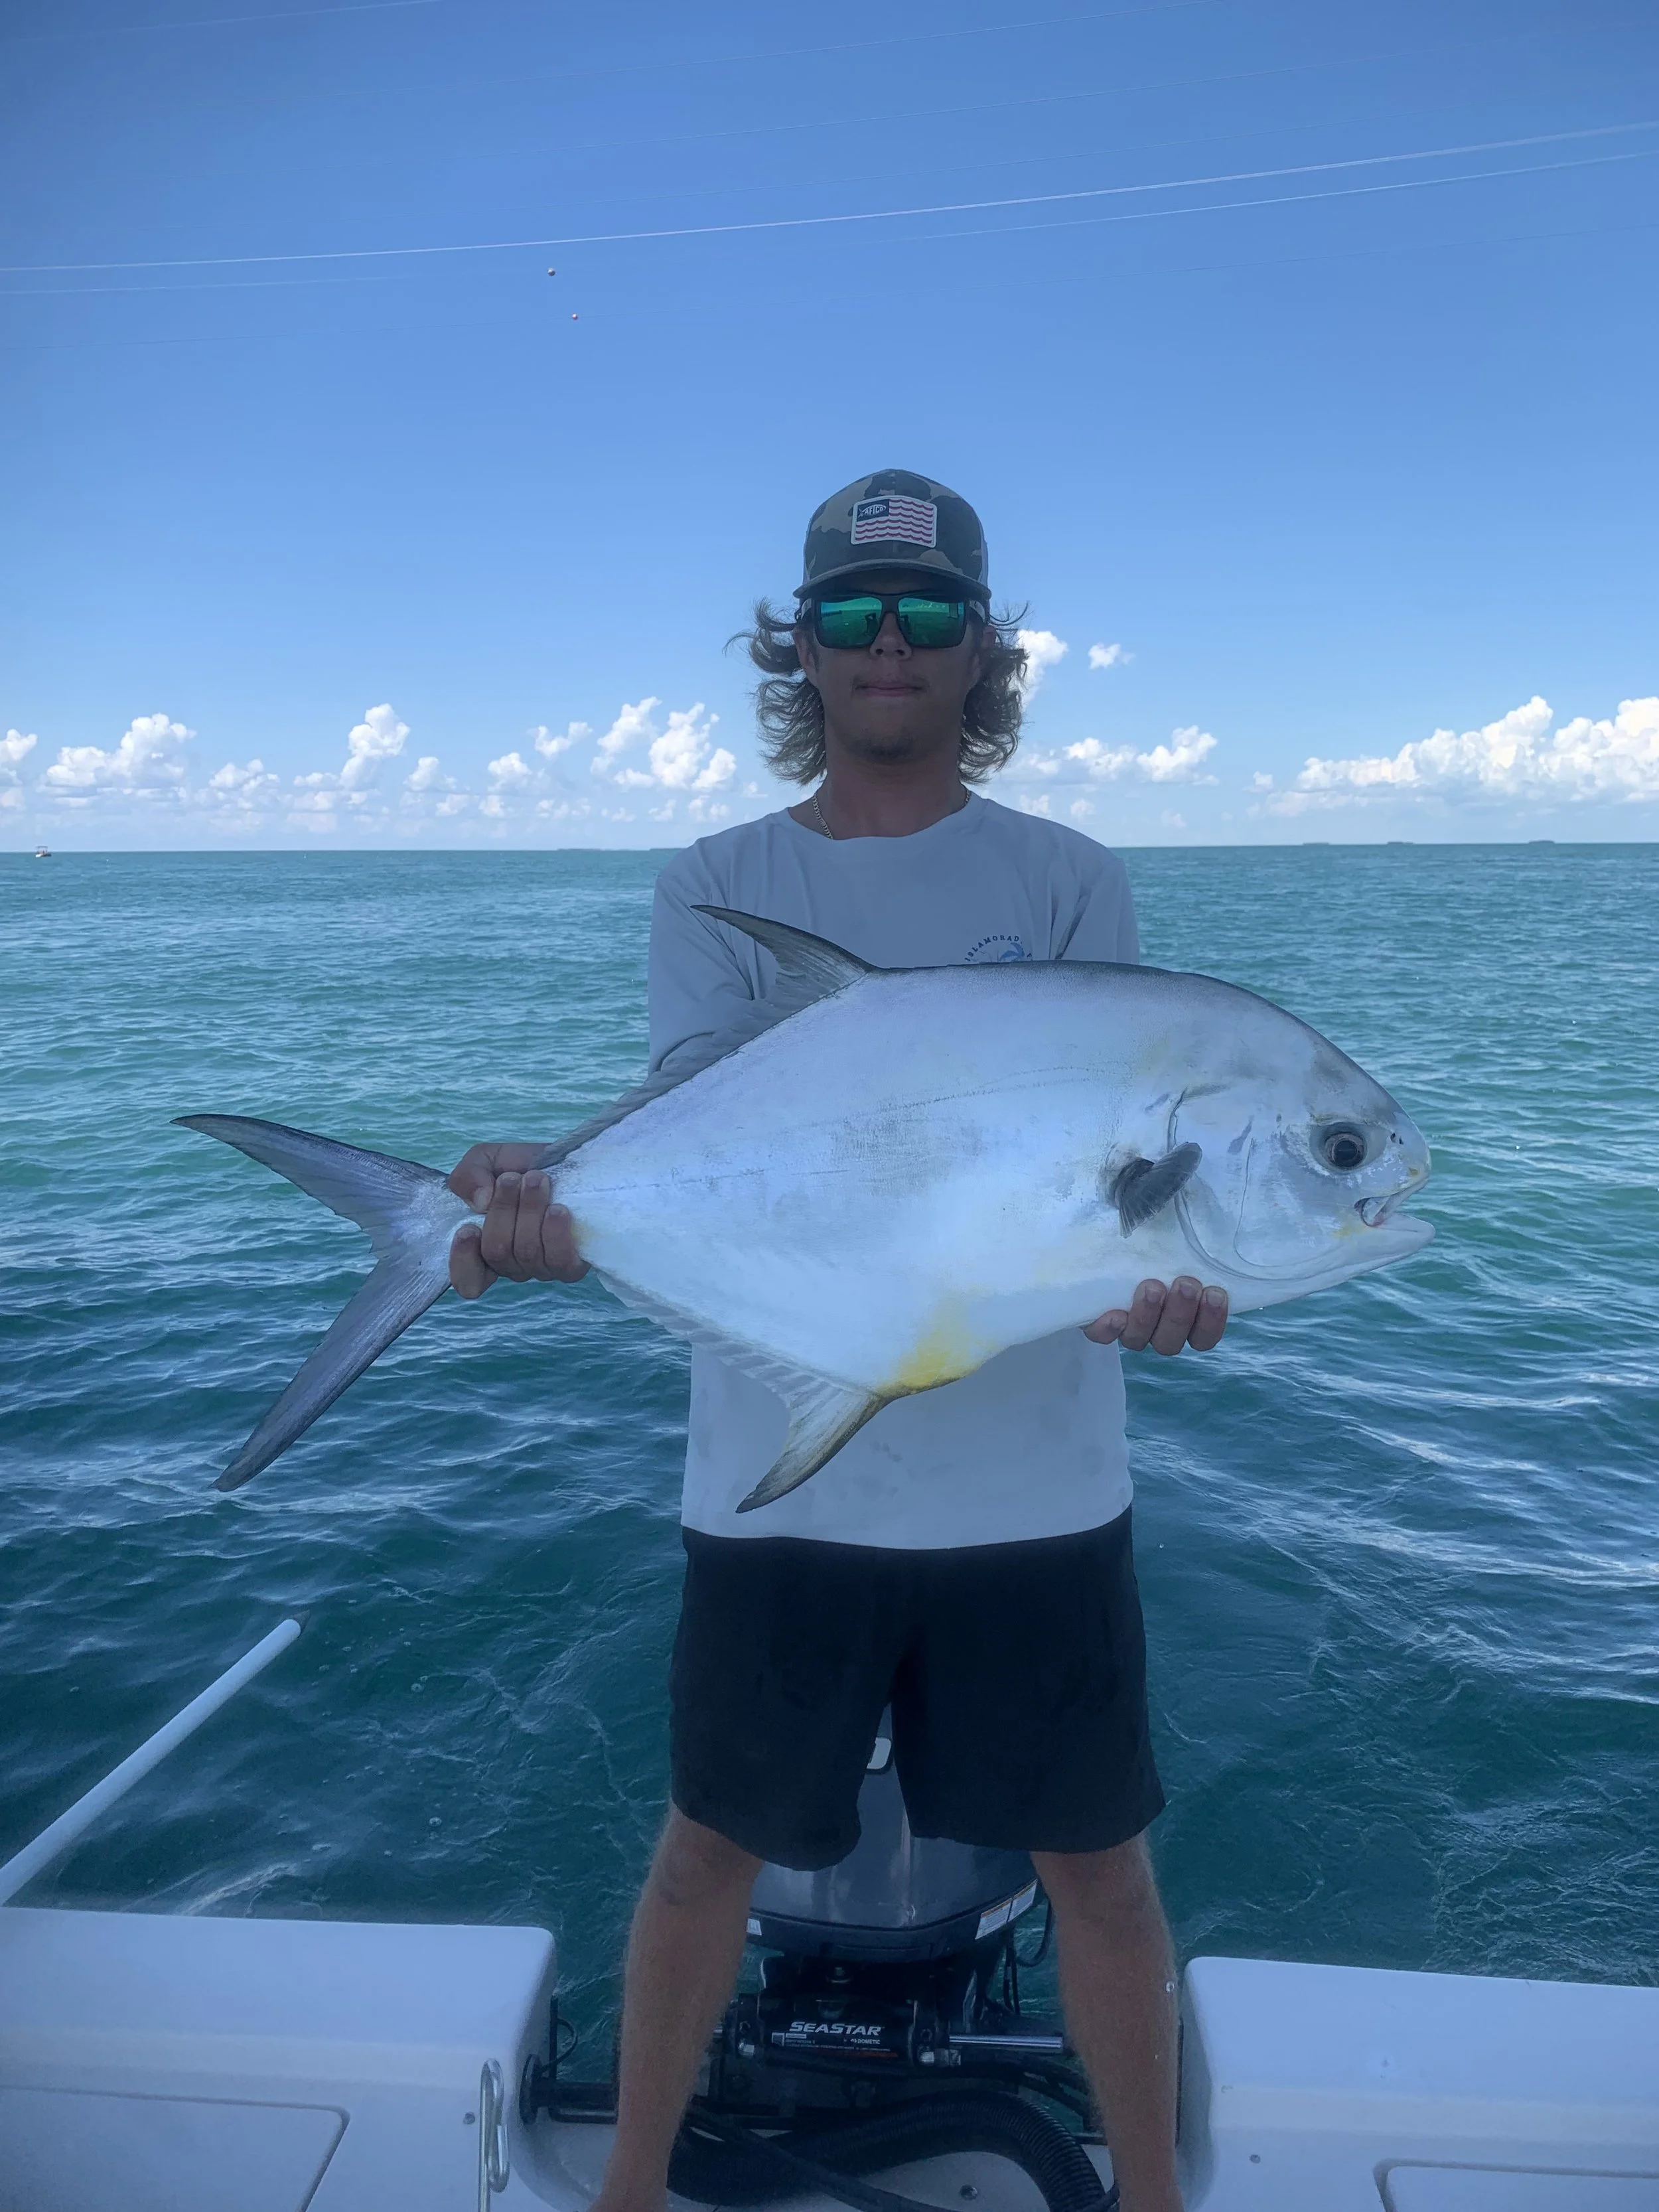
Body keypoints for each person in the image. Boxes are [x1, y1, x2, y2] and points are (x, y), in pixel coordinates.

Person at [447, 471, 1227, 2212]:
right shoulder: (722, 879)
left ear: (980, 650)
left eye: (928, 612)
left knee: (1098, 1869)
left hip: (1035, 1493)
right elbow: (696, 1137)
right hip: (777, 1479)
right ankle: (631, 2189)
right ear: (798, 642)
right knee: (703, 1853)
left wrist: (1166, 1276)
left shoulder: (1067, 877)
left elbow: (1099, 1196)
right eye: (856, 613)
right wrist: (543, 1204)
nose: (889, 644)